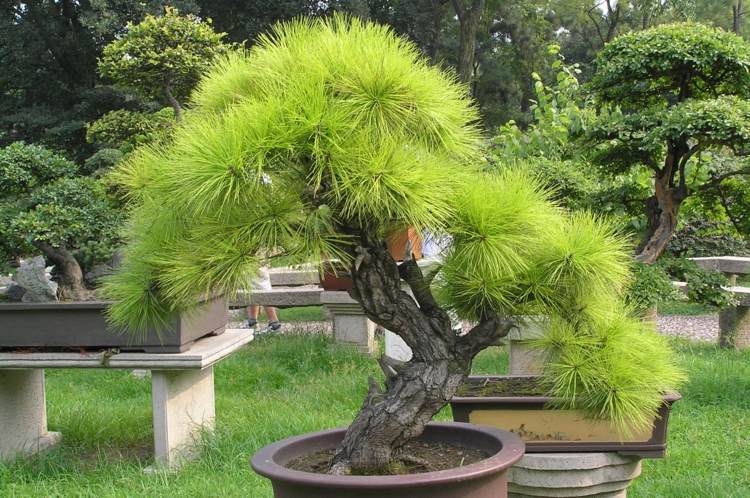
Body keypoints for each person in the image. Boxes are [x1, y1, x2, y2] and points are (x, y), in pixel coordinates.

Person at [244, 265, 282, 333]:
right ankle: (252, 322)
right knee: (252, 286)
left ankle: (274, 325)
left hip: (256, 263)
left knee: (260, 285)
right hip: (255, 264)